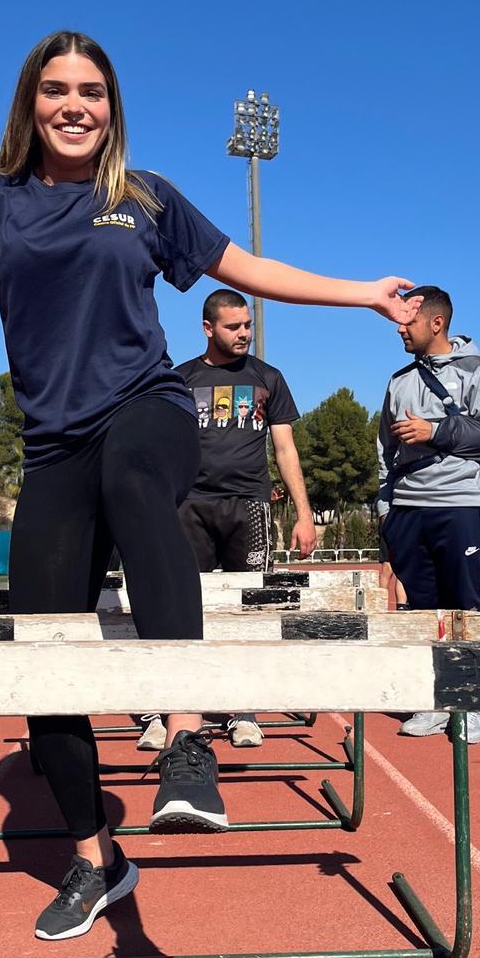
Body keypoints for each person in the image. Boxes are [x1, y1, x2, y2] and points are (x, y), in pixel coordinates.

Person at [0, 29, 420, 942]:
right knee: (41, 657)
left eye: (91, 91)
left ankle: (185, 734)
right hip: (55, 445)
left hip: (148, 410)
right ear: (30, 103)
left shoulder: (145, 200)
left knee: (139, 480)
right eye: (55, 89)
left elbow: (250, 270)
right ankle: (98, 857)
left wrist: (363, 292)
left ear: (112, 108)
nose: (73, 105)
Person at [134, 289, 317, 754]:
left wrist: (304, 513)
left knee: (249, 610)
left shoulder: (268, 378)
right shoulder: (180, 379)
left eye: (248, 326)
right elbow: (154, 446)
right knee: (176, 607)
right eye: (234, 327)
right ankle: (166, 708)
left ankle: (243, 708)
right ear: (208, 327)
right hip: (187, 505)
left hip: (248, 505)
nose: (244, 334)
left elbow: (285, 449)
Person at [376, 287, 480, 737]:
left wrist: (435, 429)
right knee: (421, 611)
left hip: (459, 504)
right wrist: (385, 505)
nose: (399, 328)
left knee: (464, 607)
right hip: (409, 508)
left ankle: (470, 702)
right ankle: (432, 700)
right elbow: (384, 449)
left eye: (407, 321)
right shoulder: (398, 380)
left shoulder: (478, 371)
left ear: (435, 323)